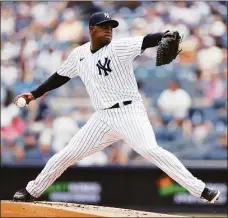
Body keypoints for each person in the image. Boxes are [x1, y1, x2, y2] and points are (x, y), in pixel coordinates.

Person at [13, 12, 220, 203]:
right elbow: (59, 77)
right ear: (91, 30)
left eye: (111, 26)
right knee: (66, 154)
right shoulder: (79, 54)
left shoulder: (119, 47)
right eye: (104, 26)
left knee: (150, 150)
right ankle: (32, 191)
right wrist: (34, 94)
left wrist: (166, 35)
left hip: (130, 113)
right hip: (102, 118)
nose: (109, 30)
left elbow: (147, 40)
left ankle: (201, 190)